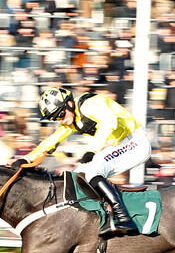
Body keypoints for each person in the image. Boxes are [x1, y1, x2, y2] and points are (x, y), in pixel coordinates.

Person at [12, 87, 151, 237]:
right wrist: (27, 158)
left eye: (61, 114)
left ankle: (123, 217)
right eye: (57, 118)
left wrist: (92, 150)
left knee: (92, 171)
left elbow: (109, 122)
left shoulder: (89, 104)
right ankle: (105, 216)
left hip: (136, 142)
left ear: (69, 104)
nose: (62, 120)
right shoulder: (71, 119)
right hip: (122, 145)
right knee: (78, 175)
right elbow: (52, 140)